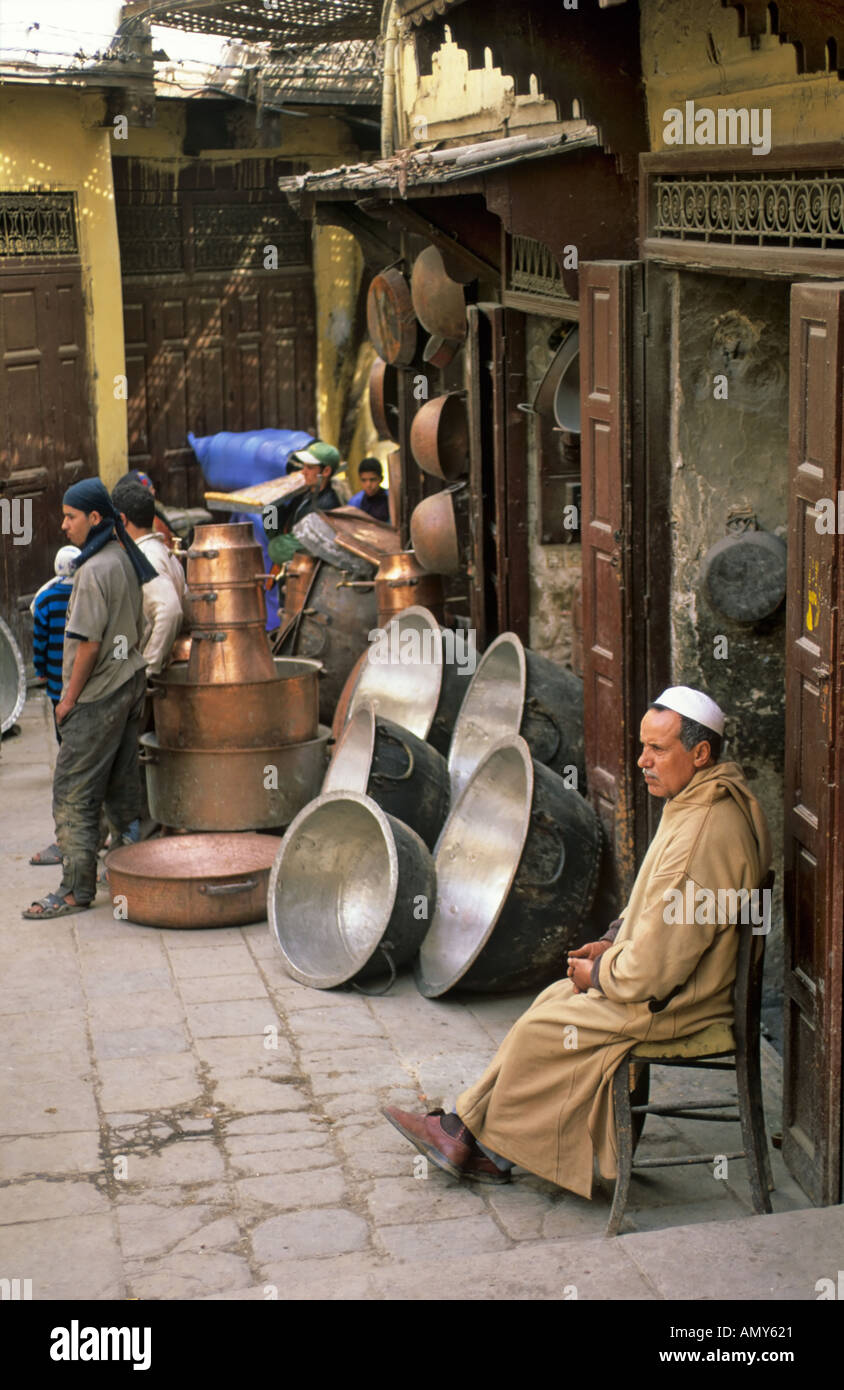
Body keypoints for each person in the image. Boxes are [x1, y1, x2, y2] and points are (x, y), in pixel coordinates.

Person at [383, 686, 772, 1195]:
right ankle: (474, 1139)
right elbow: (652, 911)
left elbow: (654, 971)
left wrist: (603, 974)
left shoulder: (703, 830)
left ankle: (469, 1136)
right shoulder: (702, 799)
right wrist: (612, 941)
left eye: (658, 750)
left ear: (700, 754)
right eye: (642, 746)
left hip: (681, 1002)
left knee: (547, 1021)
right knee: (552, 1003)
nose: (642, 761)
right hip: (678, 982)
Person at [23, 478, 158, 920]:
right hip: (129, 684)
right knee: (121, 788)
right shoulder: (122, 558)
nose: (63, 525)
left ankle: (75, 890)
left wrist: (67, 702)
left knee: (74, 794)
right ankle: (130, 869)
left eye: (70, 516)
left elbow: (89, 646)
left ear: (95, 518)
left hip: (98, 695)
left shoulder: (94, 570)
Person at [111, 477, 187, 677]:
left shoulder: (147, 558)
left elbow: (170, 611)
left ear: (122, 520)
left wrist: (148, 669)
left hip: (142, 674)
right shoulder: (160, 552)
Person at [263, 441, 343, 568]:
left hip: (306, 570)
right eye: (303, 467)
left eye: (310, 468)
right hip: (290, 561)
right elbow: (281, 524)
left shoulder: (327, 505)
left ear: (326, 471)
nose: (303, 472)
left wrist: (275, 546)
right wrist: (270, 504)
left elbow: (305, 545)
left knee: (274, 547)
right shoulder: (304, 495)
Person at [31, 545, 81, 737]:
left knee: (61, 723)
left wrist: (40, 669)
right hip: (82, 675)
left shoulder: (45, 599)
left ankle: (65, 755)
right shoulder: (84, 593)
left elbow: (40, 641)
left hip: (56, 676)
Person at [348, 457, 390, 523]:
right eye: (364, 480)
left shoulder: (390, 499)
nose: (368, 485)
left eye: (372, 480)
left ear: (381, 479)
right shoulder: (355, 502)